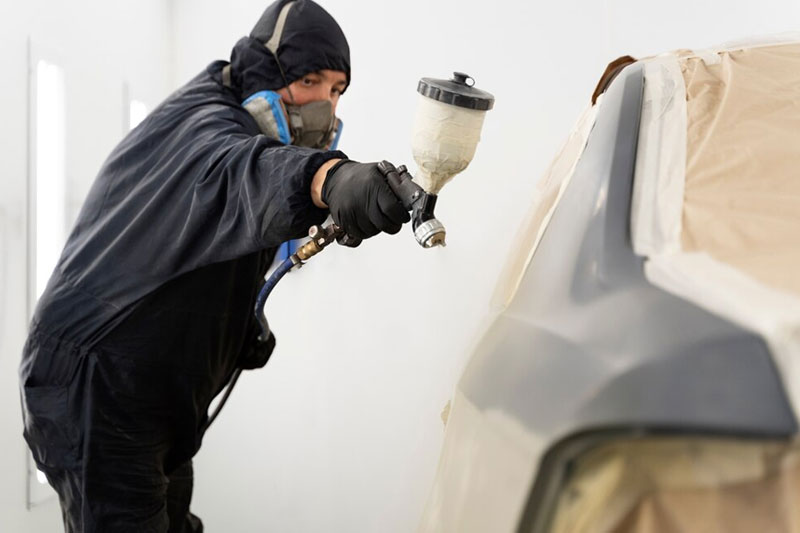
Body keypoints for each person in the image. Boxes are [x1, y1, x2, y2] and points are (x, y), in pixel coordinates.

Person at [18, 1, 409, 531]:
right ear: (262, 71)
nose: (325, 103)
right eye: (311, 79)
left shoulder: (243, 127)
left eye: (337, 90)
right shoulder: (205, 126)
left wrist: (239, 321)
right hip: (98, 385)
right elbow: (238, 173)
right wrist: (328, 178)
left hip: (149, 386)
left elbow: (207, 237)